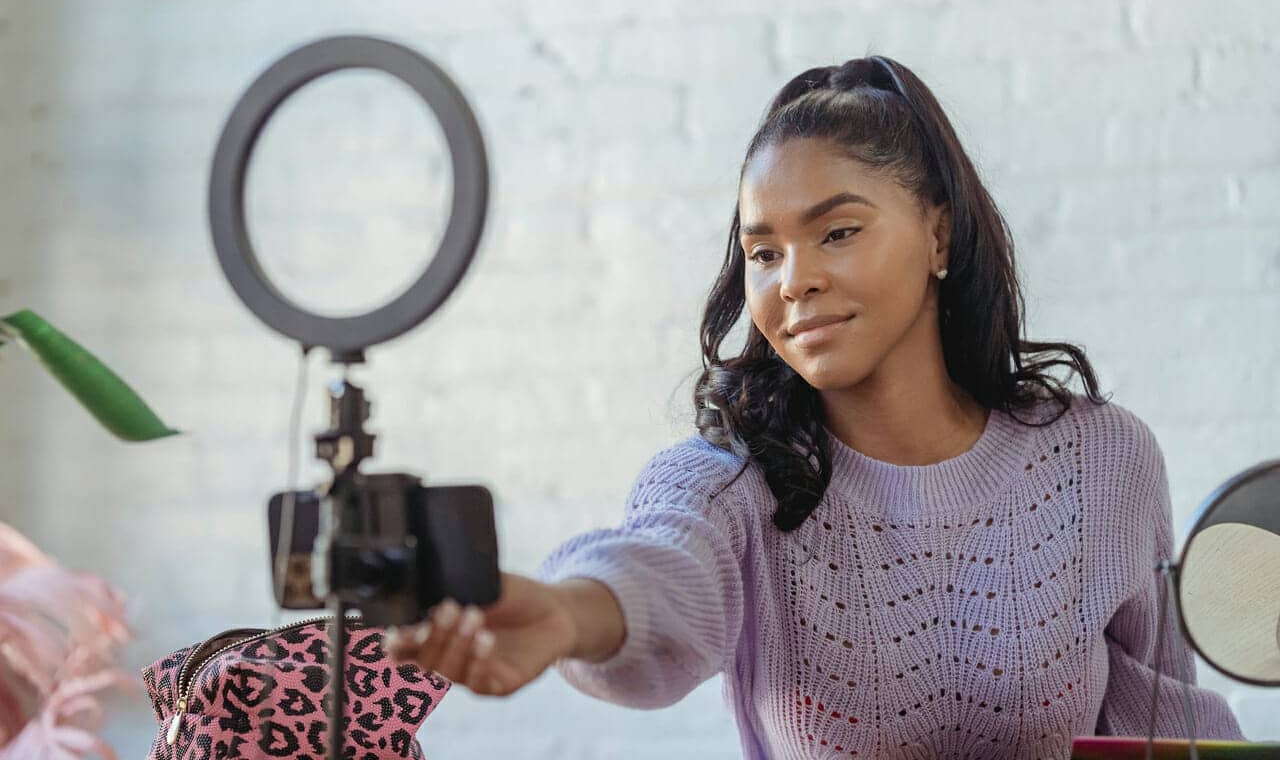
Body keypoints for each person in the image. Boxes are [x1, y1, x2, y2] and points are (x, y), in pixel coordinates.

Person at [383, 55, 1246, 758]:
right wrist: (570, 612)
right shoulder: (732, 481)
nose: (793, 281)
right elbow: (660, 569)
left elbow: (1165, 724)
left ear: (939, 235)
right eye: (764, 252)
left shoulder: (1101, 460)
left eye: (837, 232)